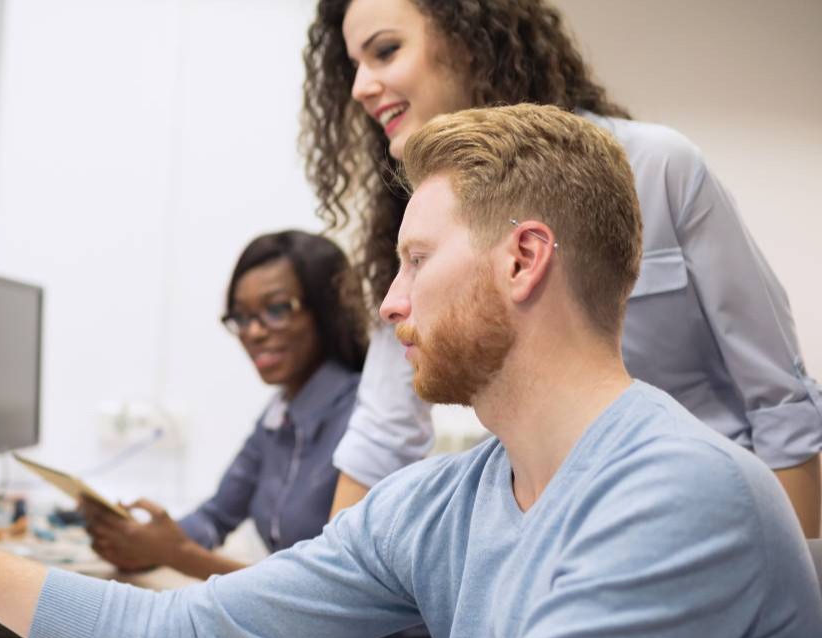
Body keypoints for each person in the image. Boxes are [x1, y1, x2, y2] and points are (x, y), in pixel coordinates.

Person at [0, 105, 822, 638]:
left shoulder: (680, 495)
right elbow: (184, 636)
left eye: (411, 261)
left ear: (523, 260)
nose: (389, 303)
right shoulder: (446, 501)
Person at [305, 0, 822, 537]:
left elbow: (781, 402)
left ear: (468, 39)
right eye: (353, 67)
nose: (361, 87)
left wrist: (793, 581)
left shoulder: (659, 168)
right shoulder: (421, 225)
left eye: (385, 51)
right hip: (559, 537)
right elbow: (381, 432)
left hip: (711, 525)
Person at [81, 230, 366, 579]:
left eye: (277, 309)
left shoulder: (366, 420)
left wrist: (174, 553)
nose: (253, 332)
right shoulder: (279, 415)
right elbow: (215, 517)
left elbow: (325, 587)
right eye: (242, 316)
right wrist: (138, 545)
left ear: (327, 309)